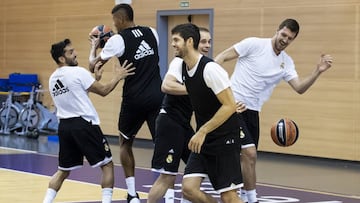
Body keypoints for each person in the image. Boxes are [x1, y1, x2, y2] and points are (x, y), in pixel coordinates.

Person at [215, 18, 333, 203]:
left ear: (293, 40)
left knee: (250, 159)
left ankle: (244, 196)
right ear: (277, 31)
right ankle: (251, 200)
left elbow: (300, 88)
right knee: (249, 153)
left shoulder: (286, 63)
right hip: (233, 106)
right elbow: (221, 57)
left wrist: (317, 71)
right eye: (283, 34)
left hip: (253, 112)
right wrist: (215, 88)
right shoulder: (254, 44)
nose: (285, 39)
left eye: (290, 38)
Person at [43, 38, 135, 203]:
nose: (75, 53)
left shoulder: (53, 79)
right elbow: (105, 91)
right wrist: (118, 76)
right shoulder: (78, 72)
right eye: (70, 52)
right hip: (84, 124)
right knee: (107, 165)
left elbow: (77, 92)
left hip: (65, 127)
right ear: (62, 59)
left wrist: (96, 78)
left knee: (63, 171)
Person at [89, 4, 164, 202]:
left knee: (125, 143)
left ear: (120, 20)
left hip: (134, 99)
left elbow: (92, 65)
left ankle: (132, 194)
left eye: (114, 21)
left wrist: (94, 47)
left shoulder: (117, 39)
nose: (113, 25)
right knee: (164, 144)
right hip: (158, 96)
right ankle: (171, 194)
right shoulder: (153, 32)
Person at [170, 23, 245, 203]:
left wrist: (202, 130)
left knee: (228, 197)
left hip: (224, 137)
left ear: (189, 42)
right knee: (188, 189)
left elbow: (229, 105)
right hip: (205, 138)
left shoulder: (210, 69)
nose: (173, 44)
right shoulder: (183, 67)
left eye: (176, 40)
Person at [146, 27, 212, 203]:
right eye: (204, 41)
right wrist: (194, 90)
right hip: (169, 122)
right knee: (167, 176)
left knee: (200, 165)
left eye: (209, 42)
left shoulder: (204, 66)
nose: (207, 45)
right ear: (193, 42)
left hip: (183, 125)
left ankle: (186, 198)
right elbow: (166, 86)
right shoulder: (179, 62)